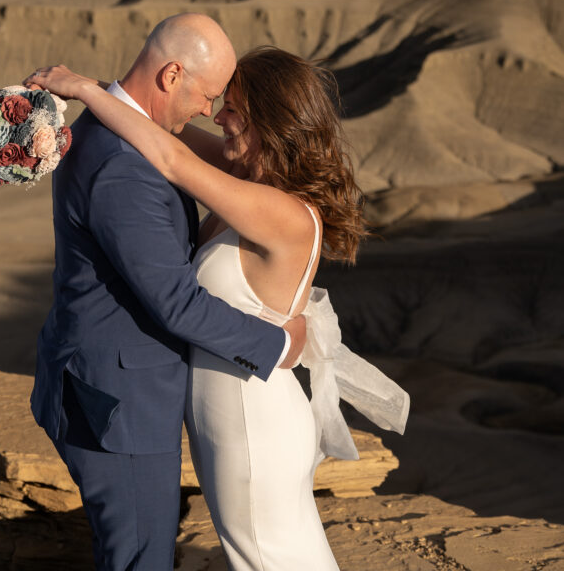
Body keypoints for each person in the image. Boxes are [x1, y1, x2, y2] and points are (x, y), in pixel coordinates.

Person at [29, 41, 407, 570]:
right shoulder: (251, 180)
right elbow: (160, 132)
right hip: (226, 411)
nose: (216, 114)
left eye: (233, 108)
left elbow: (168, 155)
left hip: (254, 419)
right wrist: (102, 91)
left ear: (268, 124)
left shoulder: (281, 211)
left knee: (269, 557)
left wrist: (86, 89)